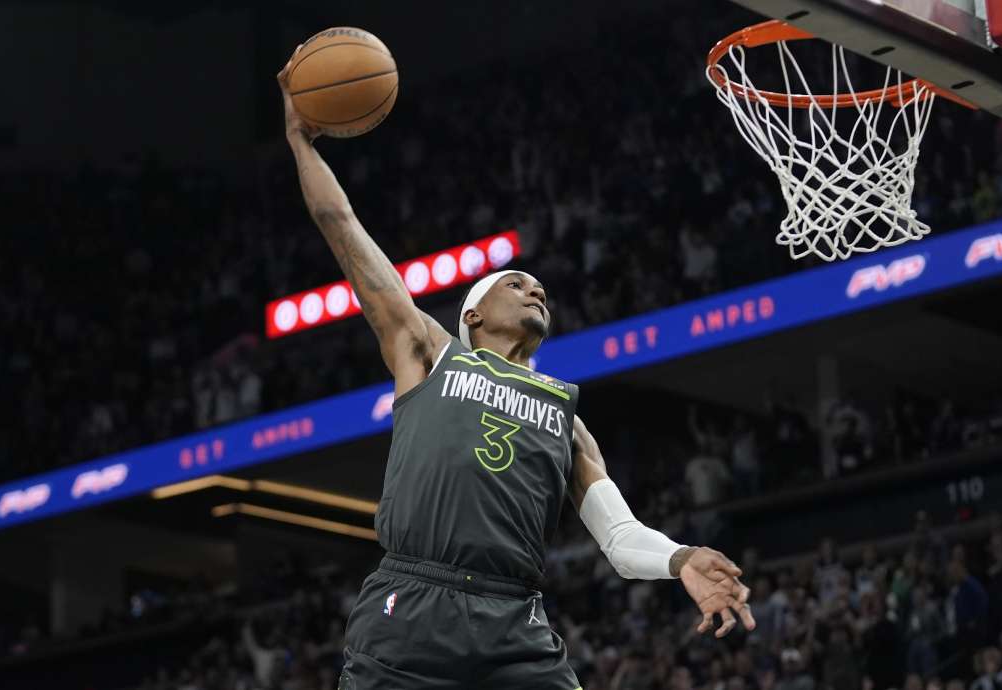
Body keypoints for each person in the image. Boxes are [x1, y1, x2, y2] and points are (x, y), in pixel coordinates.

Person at [276, 48, 755, 690]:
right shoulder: (428, 352)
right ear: (472, 316)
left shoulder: (566, 419)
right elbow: (340, 224)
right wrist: (301, 141)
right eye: (516, 282)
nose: (535, 289)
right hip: (413, 604)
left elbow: (618, 536)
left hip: (513, 623)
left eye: (540, 288)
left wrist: (682, 558)